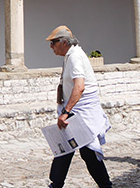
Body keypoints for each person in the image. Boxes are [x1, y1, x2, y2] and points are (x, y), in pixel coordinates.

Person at [46, 25, 113, 188]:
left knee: (85, 152)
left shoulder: (75, 56)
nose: (51, 47)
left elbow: (80, 86)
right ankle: (56, 184)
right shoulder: (70, 55)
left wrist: (66, 112)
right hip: (76, 110)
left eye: (53, 43)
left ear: (63, 42)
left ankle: (106, 185)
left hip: (82, 112)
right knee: (66, 149)